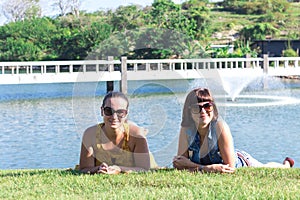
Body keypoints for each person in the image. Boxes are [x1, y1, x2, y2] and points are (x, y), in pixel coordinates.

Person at [173, 87, 294, 173]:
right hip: (211, 164)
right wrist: (206, 169)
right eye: (197, 108)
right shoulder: (186, 129)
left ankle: (286, 165)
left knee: (266, 168)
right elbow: (179, 163)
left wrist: (191, 166)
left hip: (242, 162)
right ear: (189, 111)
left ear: (213, 108)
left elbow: (230, 168)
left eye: (207, 106)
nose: (203, 111)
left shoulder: (220, 127)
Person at [79, 91, 151, 174]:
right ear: (102, 111)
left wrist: (119, 169)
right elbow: (85, 169)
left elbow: (144, 169)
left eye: (120, 112)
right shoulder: (90, 134)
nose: (114, 117)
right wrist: (99, 168)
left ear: (126, 114)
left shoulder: (136, 135)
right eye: (108, 111)